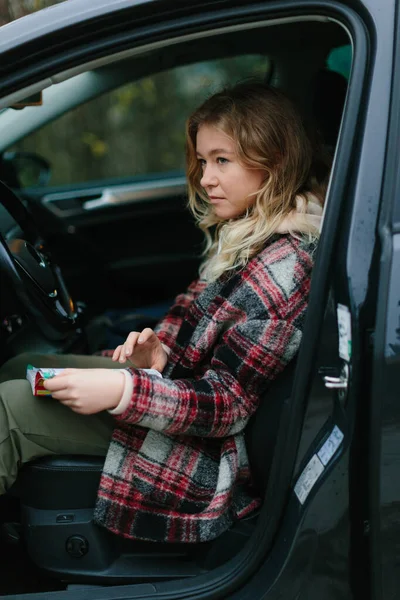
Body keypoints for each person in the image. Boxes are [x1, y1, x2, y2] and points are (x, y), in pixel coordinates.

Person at [0, 82, 327, 544]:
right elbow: (192, 319)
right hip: (170, 392)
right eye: (203, 160)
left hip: (206, 456)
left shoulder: (286, 266)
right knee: (20, 368)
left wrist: (123, 391)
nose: (205, 178)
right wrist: (158, 354)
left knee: (10, 409)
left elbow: (227, 405)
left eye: (222, 160)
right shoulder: (248, 233)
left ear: (272, 160)